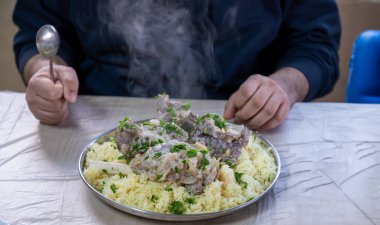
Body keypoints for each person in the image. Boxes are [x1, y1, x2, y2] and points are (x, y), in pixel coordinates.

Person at [13, 1, 341, 130]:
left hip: (243, 121)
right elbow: (38, 31)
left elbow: (315, 45)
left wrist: (282, 86)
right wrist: (46, 72)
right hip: (96, 121)